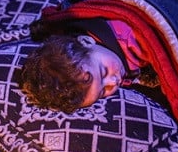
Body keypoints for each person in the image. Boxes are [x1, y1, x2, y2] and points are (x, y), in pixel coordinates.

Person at [21, 17, 160, 114]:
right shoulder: (100, 64)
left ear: (87, 41)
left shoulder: (130, 37)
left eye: (104, 72)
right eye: (102, 92)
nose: (114, 82)